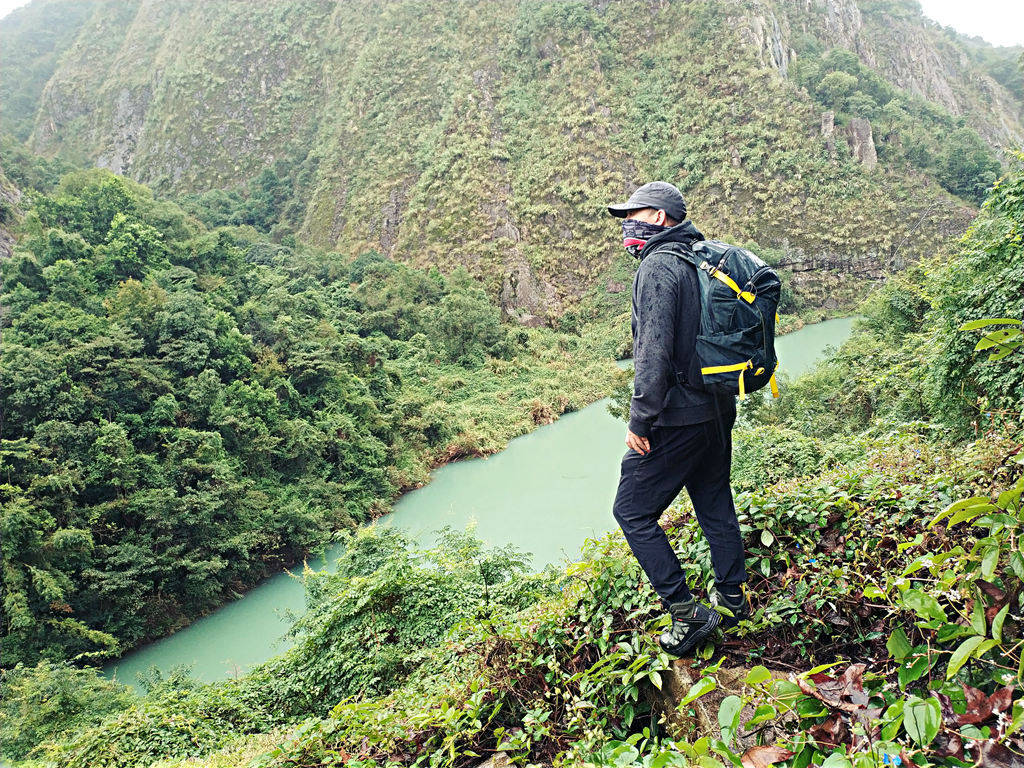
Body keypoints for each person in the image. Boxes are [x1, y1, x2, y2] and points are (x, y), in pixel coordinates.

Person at [606, 181, 750, 657]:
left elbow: (653, 351)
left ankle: (689, 614)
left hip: (677, 416)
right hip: (715, 408)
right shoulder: (700, 257)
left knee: (632, 511)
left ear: (662, 217)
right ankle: (732, 598)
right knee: (713, 502)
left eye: (637, 213)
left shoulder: (659, 266)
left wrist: (640, 421)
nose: (628, 221)